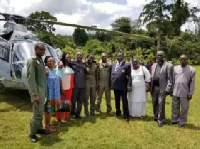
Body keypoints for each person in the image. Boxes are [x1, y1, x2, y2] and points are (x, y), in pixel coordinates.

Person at [27, 43, 51, 143]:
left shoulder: (40, 60)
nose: (43, 52)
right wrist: (34, 94)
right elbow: (31, 79)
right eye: (41, 50)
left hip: (43, 92)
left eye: (44, 50)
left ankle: (39, 129)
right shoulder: (32, 60)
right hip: (37, 92)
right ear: (35, 49)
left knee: (40, 112)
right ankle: (32, 133)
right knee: (36, 113)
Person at [171, 55, 195, 127]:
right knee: (175, 106)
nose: (182, 61)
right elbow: (173, 80)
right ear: (179, 60)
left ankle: (182, 121)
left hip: (185, 92)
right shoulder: (175, 68)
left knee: (184, 107)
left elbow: (192, 82)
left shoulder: (191, 69)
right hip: (175, 91)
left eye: (184, 59)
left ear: (186, 60)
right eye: (181, 59)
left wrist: (190, 93)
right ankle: (174, 120)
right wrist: (171, 90)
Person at [151, 51, 173, 127]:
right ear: (156, 56)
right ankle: (156, 116)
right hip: (154, 87)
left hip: (162, 88)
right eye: (158, 55)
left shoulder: (168, 66)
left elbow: (170, 78)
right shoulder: (153, 65)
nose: (159, 56)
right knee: (154, 103)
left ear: (164, 56)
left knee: (161, 104)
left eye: (161, 55)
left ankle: (161, 120)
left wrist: (168, 88)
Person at [111, 53, 130, 123]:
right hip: (115, 86)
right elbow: (112, 74)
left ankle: (126, 115)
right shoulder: (113, 65)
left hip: (123, 86)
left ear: (123, 57)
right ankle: (118, 112)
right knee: (117, 100)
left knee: (124, 101)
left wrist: (128, 85)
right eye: (118, 56)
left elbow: (129, 76)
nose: (119, 57)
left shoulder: (127, 65)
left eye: (121, 56)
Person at [56, 53, 74, 124]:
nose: (69, 58)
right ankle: (59, 119)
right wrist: (61, 88)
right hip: (62, 88)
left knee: (68, 103)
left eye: (70, 57)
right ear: (64, 58)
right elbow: (59, 78)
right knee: (60, 104)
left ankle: (66, 117)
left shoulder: (70, 66)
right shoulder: (60, 66)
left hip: (69, 88)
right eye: (67, 57)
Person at [44, 56, 61, 131]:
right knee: (47, 110)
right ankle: (46, 125)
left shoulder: (54, 70)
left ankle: (49, 123)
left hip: (55, 94)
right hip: (49, 94)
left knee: (51, 110)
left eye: (53, 61)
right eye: (49, 61)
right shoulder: (45, 69)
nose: (51, 62)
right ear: (46, 62)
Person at [70, 51, 86, 119]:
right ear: (75, 55)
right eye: (78, 55)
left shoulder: (84, 63)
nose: (79, 56)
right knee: (73, 100)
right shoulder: (72, 63)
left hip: (82, 86)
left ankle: (78, 113)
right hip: (75, 85)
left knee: (80, 100)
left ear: (82, 56)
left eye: (80, 55)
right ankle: (73, 112)